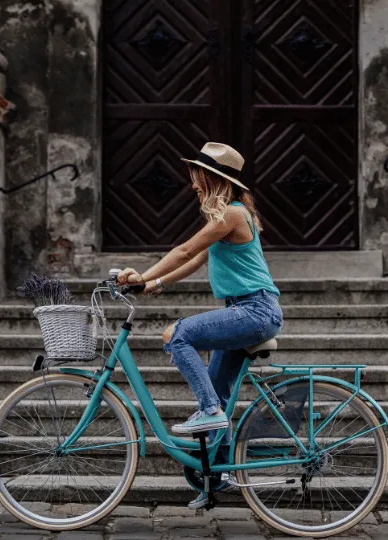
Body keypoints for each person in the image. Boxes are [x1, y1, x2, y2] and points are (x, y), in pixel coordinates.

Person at [116, 143, 283, 506]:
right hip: (249, 310)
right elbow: (195, 262)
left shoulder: (233, 215)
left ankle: (207, 412)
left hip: (255, 311)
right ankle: (217, 474)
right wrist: (154, 285)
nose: (193, 185)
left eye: (197, 177)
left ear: (212, 179)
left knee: (178, 334)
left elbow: (185, 250)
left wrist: (141, 274)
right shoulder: (230, 218)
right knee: (219, 391)